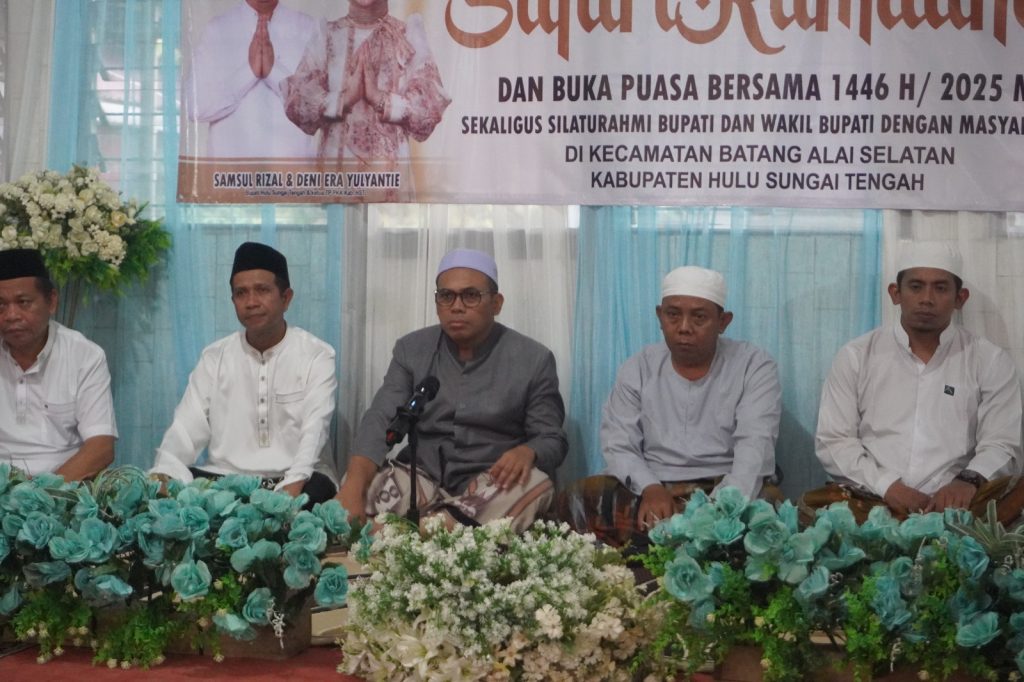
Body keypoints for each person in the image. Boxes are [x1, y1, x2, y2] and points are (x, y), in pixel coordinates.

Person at [337, 248, 567, 531]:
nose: (457, 306)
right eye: (446, 296)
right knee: (358, 484)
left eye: (471, 296)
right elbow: (380, 419)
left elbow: (552, 438)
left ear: (496, 303)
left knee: (535, 484)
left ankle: (417, 531)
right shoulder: (411, 349)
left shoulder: (533, 358)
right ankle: (443, 530)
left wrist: (528, 451)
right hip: (422, 478)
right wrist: (354, 485)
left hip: (491, 484)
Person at [554, 266, 782, 548]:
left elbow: (755, 448)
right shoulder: (639, 367)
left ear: (723, 321)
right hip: (653, 487)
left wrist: (717, 508)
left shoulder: (753, 366)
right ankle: (669, 549)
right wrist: (650, 488)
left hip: (723, 484)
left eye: (699, 317)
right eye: (673, 314)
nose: (684, 327)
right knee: (578, 498)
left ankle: (662, 547)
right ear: (659, 316)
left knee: (768, 508)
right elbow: (618, 443)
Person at [808, 242, 1024, 523]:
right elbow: (834, 440)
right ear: (895, 293)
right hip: (873, 499)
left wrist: (967, 481)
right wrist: (889, 487)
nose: (927, 299)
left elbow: (1002, 443)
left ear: (960, 298)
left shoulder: (989, 360)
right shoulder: (856, 356)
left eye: (941, 288)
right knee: (813, 505)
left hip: (960, 504)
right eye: (916, 287)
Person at [151, 242, 337, 505]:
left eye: (262, 290)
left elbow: (315, 430)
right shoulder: (215, 357)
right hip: (226, 481)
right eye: (241, 293)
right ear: (233, 301)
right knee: (176, 488)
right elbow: (185, 429)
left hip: (294, 478)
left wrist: (292, 487)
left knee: (317, 491)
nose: (251, 302)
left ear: (286, 298)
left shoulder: (316, 355)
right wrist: (165, 472)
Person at [282, 0, 451, 200]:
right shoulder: (328, 35)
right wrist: (344, 100)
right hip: (335, 192)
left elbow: (430, 107)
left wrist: (380, 99)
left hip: (390, 194)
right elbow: (296, 102)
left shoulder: (406, 36)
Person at [0, 248, 117, 479]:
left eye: (23, 302)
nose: (11, 315)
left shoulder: (84, 355)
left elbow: (101, 447)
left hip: (63, 485)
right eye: (0, 305)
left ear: (51, 301)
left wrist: (40, 492)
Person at [183, 0, 317, 158]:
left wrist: (273, 72)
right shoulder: (217, 29)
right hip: (229, 171)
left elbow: (320, 110)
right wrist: (249, 72)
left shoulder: (308, 28)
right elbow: (195, 107)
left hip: (292, 171)